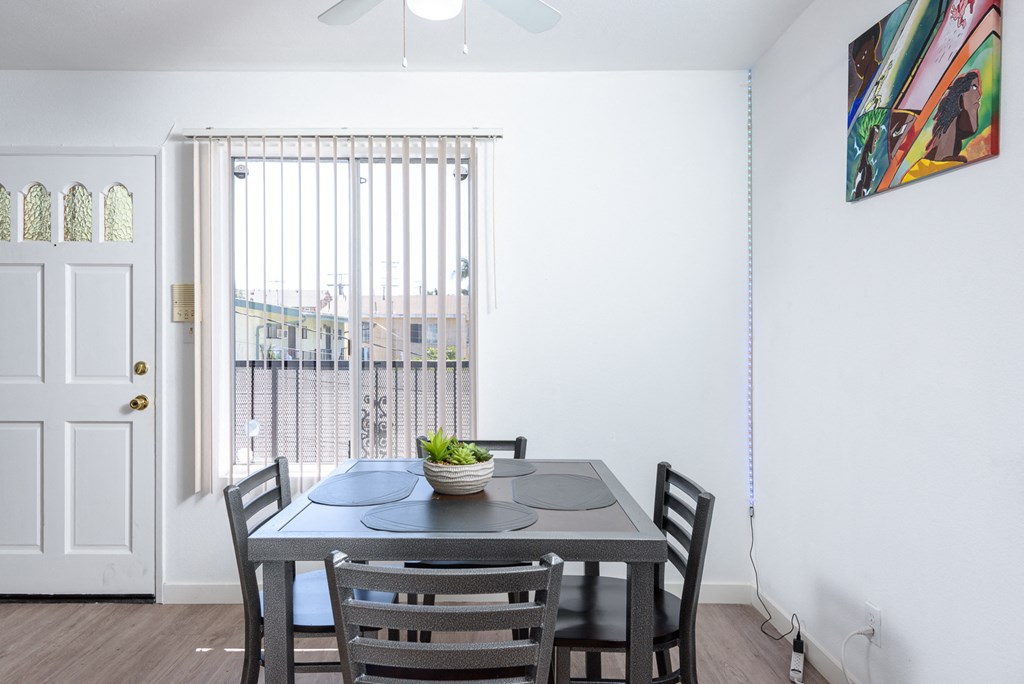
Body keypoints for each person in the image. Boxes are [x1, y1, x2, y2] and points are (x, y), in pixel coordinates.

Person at [902, 70, 982, 183]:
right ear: (959, 97)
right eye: (974, 87)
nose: (979, 95)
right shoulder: (916, 174)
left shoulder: (922, 169)